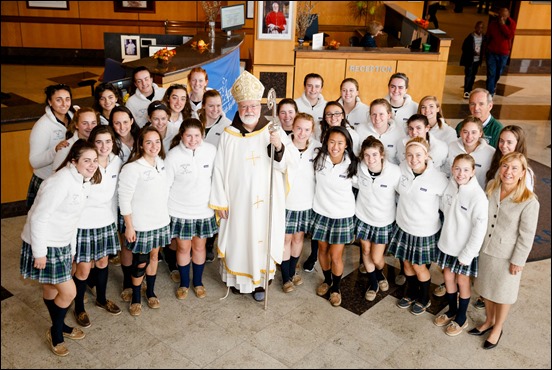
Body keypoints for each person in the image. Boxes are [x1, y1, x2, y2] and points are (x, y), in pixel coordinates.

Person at [209, 70, 290, 302]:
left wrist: (279, 147)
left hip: (266, 201)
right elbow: (219, 169)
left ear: (260, 106)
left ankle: (260, 283)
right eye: (244, 106)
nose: (249, 111)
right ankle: (239, 282)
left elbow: (287, 165)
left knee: (261, 238)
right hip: (237, 201)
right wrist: (220, 201)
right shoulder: (228, 134)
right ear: (238, 107)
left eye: (253, 106)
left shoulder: (272, 131)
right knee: (239, 238)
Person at [20, 139, 100, 356]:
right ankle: (56, 333)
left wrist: (72, 250)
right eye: (87, 160)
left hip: (62, 242)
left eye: (95, 160)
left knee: (52, 289)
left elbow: (72, 220)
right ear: (74, 161)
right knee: (70, 292)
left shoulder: (82, 181)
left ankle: (60, 325)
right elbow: (38, 218)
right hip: (46, 243)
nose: (92, 165)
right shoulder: (60, 182)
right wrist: (40, 252)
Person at [471, 152, 539, 350]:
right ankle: (489, 320)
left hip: (507, 255)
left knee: (503, 294)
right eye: (505, 166)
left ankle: (497, 328)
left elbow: (527, 235)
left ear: (522, 173)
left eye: (514, 168)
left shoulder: (529, 201)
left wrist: (518, 260)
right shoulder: (492, 187)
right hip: (486, 249)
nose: (508, 172)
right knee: (486, 290)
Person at [388, 137, 448, 315]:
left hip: (424, 231)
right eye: (409, 155)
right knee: (406, 264)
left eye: (418, 155)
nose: (413, 159)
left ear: (427, 155)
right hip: (403, 226)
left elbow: (446, 205)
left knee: (419, 267)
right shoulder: (401, 170)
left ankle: (424, 297)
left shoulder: (438, 179)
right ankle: (410, 292)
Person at [72, 126, 124, 328]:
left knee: (103, 263)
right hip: (84, 223)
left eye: (108, 141)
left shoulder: (116, 161)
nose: (104, 146)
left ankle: (101, 298)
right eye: (99, 142)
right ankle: (79, 307)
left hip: (106, 221)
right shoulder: (86, 164)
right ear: (92, 143)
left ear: (113, 142)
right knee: (84, 269)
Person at [118, 126, 171, 316]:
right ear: (140, 144)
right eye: (148, 142)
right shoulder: (132, 168)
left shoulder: (162, 163)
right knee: (140, 262)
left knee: (155, 257)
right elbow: (123, 198)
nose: (153, 146)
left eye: (157, 141)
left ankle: (150, 292)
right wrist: (129, 226)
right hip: (140, 224)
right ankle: (136, 297)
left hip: (160, 221)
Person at [433, 154, 488, 336]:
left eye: (465, 169)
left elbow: (479, 230)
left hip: (465, 250)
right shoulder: (450, 186)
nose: (460, 173)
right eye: (457, 168)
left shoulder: (478, 197)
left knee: (462, 281)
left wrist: (468, 254)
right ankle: (451, 310)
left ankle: (461, 317)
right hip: (448, 244)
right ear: (452, 169)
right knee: (448, 278)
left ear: (473, 171)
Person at [165, 118, 218, 300]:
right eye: (189, 135)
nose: (193, 139)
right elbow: (166, 185)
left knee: (199, 246)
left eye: (197, 135)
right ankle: (184, 284)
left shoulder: (211, 151)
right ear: (182, 135)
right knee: (182, 247)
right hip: (179, 210)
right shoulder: (173, 155)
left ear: (202, 135)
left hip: (203, 209)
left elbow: (217, 179)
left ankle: (198, 282)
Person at [312, 126, 358, 307]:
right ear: (326, 142)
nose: (335, 146)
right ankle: (327, 280)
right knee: (322, 251)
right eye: (332, 142)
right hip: (321, 212)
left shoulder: (352, 164)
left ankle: (336, 288)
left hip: (342, 216)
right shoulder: (319, 159)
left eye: (340, 142)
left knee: (336, 255)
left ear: (346, 144)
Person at [354, 136, 400, 301]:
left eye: (374, 155)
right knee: (365, 251)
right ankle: (373, 283)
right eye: (366, 155)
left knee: (377, 257)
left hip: (383, 221)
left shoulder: (394, 172)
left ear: (382, 155)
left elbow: (403, 194)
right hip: (363, 217)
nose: (370, 159)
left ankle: (380, 273)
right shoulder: (360, 168)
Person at [281, 113, 320, 293]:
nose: (302, 133)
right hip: (287, 202)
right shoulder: (284, 147)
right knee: (286, 239)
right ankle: (285, 276)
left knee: (298, 238)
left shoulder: (316, 149)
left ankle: (293, 271)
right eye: (299, 128)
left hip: (306, 203)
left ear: (312, 131)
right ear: (293, 127)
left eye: (306, 129)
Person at [107, 106, 141, 302]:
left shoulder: (140, 139)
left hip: (142, 198)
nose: (122, 126)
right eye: (117, 123)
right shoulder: (110, 144)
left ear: (132, 120)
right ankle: (128, 281)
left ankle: (139, 277)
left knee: (141, 241)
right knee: (127, 243)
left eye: (125, 122)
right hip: (120, 198)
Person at [27, 83, 75, 210]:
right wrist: (55, 150)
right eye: (58, 100)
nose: (64, 104)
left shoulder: (75, 116)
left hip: (68, 177)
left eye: (67, 99)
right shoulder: (42, 126)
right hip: (46, 180)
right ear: (50, 102)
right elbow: (34, 161)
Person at [447, 115, 495, 189]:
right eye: (465, 132)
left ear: (480, 133)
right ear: (460, 132)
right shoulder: (451, 147)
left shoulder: (490, 153)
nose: (469, 136)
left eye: (474, 132)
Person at [357, 98, 406, 166]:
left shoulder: (399, 132)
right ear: (370, 115)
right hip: (366, 172)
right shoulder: (360, 129)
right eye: (374, 114)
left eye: (381, 114)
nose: (377, 118)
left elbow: (402, 159)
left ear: (389, 115)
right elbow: (356, 155)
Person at [486, 125, 535, 192]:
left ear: (518, 144)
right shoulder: (495, 160)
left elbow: (526, 198)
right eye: (501, 141)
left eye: (509, 142)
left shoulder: (526, 174)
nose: (504, 146)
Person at [52, 107, 99, 171]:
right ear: (76, 124)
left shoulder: (100, 144)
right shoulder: (66, 147)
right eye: (85, 123)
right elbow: (56, 173)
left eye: (93, 123)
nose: (90, 127)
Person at [485, 8, 516, 96]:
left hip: (503, 53)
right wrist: (486, 49)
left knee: (498, 73)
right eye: (501, 16)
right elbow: (488, 36)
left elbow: (509, 35)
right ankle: (490, 92)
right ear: (498, 15)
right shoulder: (493, 24)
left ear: (508, 16)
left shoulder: (512, 24)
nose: (502, 18)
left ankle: (493, 84)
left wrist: (503, 25)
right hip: (492, 51)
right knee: (491, 73)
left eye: (504, 16)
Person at [460, 21, 486, 99]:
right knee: (468, 75)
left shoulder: (484, 37)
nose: (479, 29)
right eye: (478, 27)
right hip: (470, 60)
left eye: (481, 28)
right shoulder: (470, 37)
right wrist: (472, 52)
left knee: (473, 75)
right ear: (475, 27)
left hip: (477, 60)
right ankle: (466, 91)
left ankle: (470, 88)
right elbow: (464, 48)